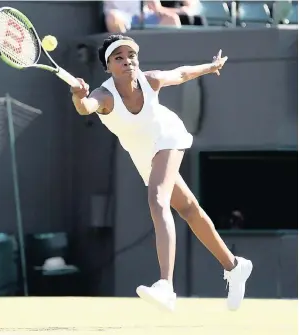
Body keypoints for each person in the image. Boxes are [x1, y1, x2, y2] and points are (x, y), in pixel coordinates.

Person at [69, 35, 253, 312]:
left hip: (168, 135)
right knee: (189, 209)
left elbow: (180, 74)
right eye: (118, 57)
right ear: (108, 67)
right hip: (144, 154)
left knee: (157, 198)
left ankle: (166, 286)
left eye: (131, 55)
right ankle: (234, 266)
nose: (127, 61)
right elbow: (86, 107)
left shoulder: (150, 79)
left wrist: (210, 66)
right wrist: (78, 96)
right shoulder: (104, 96)